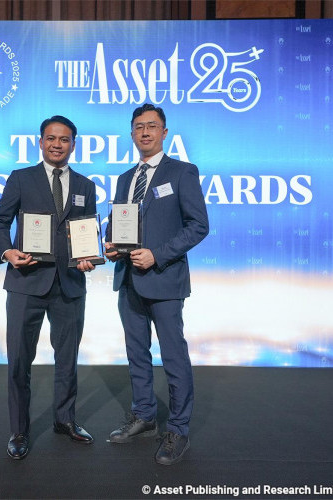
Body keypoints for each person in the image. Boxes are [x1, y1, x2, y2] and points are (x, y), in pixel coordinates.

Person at [104, 103, 209, 465]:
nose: (145, 132)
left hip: (164, 279)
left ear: (164, 132)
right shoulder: (125, 179)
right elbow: (118, 222)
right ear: (131, 134)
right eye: (138, 127)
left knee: (173, 356)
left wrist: (157, 255)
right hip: (128, 280)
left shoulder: (182, 172)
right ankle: (145, 415)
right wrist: (111, 244)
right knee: (137, 353)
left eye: (152, 126)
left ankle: (178, 429)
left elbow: (198, 225)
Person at [0, 115, 97, 460]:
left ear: (73, 145)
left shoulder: (86, 185)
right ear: (40, 142)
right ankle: (19, 430)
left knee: (67, 359)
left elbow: (86, 232)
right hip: (26, 282)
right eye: (51, 138)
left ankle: (65, 420)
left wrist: (88, 258)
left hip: (70, 284)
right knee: (20, 360)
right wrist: (7, 251)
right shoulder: (21, 178)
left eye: (64, 139)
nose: (57, 144)